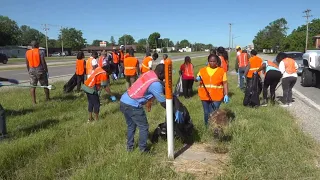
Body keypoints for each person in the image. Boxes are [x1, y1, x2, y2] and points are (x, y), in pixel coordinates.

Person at [120, 64, 184, 153]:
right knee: (144, 127)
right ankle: (143, 149)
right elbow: (164, 103)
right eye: (165, 75)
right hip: (133, 105)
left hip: (124, 100)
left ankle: (129, 148)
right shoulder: (155, 85)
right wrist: (175, 110)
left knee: (131, 126)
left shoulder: (149, 73)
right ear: (161, 73)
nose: (166, 77)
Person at [194, 54, 229, 127]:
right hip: (204, 95)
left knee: (213, 112)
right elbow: (196, 78)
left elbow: (225, 83)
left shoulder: (221, 71)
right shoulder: (202, 70)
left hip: (217, 96)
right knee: (206, 112)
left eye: (214, 61)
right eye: (210, 61)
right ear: (208, 61)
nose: (212, 63)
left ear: (217, 62)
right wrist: (197, 79)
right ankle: (207, 127)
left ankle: (214, 127)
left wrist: (226, 94)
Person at [82, 53, 116, 123]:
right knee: (96, 103)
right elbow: (105, 87)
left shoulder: (99, 68)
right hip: (91, 88)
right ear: (109, 70)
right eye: (111, 72)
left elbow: (98, 82)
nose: (111, 74)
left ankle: (90, 118)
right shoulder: (104, 73)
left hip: (86, 86)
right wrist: (112, 95)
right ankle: (96, 119)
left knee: (91, 102)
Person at [25, 41, 49, 105]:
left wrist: (29, 70)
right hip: (40, 70)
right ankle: (47, 98)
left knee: (32, 86)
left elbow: (27, 63)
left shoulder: (27, 52)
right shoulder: (40, 52)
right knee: (45, 85)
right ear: (37, 45)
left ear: (31, 46)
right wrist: (46, 70)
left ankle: (34, 102)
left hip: (31, 70)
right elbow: (43, 62)